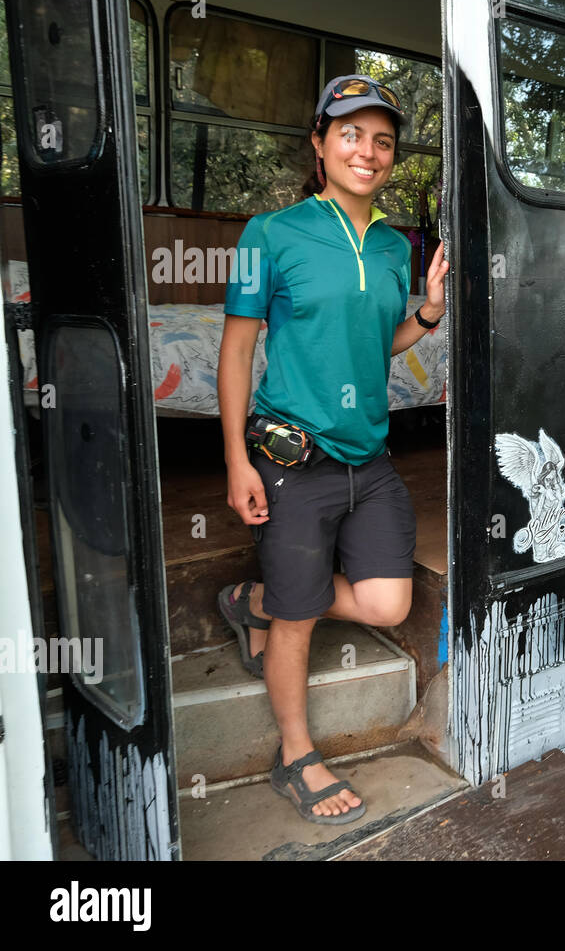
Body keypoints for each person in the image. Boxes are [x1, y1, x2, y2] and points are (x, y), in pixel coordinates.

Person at [215, 75, 448, 825]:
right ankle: (295, 754)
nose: (368, 151)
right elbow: (236, 351)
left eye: (382, 140)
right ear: (319, 144)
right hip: (290, 459)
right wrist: (235, 460)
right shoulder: (269, 235)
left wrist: (431, 312)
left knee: (389, 599)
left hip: (368, 461)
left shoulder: (391, 245)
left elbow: (382, 341)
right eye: (350, 134)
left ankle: (260, 598)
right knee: (299, 618)